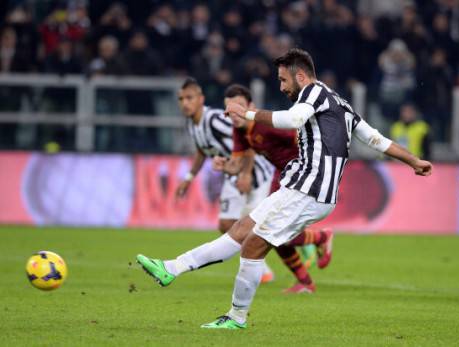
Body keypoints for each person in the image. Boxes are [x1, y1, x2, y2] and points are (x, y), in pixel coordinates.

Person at [137, 48, 432, 329]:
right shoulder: (340, 102)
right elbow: (375, 140)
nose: (280, 87)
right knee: (240, 230)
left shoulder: (313, 93)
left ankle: (236, 317)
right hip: (301, 186)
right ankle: (171, 268)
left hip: (310, 189)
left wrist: (247, 113)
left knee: (253, 245)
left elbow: (292, 120)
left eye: (282, 79)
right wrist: (414, 160)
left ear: (300, 76)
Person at [212, 84, 334, 293]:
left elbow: (299, 135)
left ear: (251, 106)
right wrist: (225, 166)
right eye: (229, 108)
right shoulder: (239, 130)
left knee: (273, 231)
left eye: (239, 106)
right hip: (282, 176)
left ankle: (322, 239)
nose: (234, 113)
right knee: (271, 232)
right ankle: (306, 282)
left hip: (301, 174)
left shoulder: (265, 125)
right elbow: (237, 165)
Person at [174, 77, 275, 282]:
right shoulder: (192, 124)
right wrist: (189, 177)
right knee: (226, 224)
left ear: (201, 99)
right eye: (181, 99)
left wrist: (246, 174)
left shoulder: (215, 119)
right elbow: (202, 151)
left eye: (189, 98)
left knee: (261, 227)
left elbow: (245, 140)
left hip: (256, 173)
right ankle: (262, 268)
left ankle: (310, 239)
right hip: (233, 174)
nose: (185, 103)